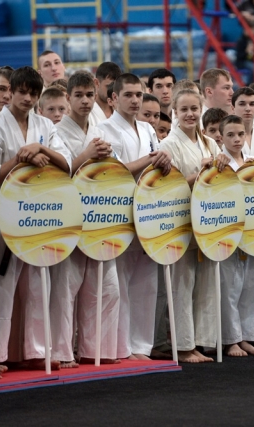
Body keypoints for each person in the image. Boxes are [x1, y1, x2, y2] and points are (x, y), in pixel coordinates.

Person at [0, 66, 72, 373]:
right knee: (1, 287)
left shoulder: (44, 124)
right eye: (22, 92)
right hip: (3, 210)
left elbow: (67, 164)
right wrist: (22, 157)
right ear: (10, 92)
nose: (28, 99)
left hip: (38, 212)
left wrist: (40, 147)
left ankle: (37, 350)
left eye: (34, 94)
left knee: (38, 284)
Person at [97, 73, 172, 361]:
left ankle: (142, 346)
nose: (134, 100)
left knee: (147, 283)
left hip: (149, 210)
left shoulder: (147, 129)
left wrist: (164, 160)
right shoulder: (103, 129)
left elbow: (158, 163)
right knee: (122, 282)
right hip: (119, 210)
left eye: (138, 95)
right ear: (113, 98)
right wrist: (151, 159)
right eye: (128, 95)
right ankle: (123, 347)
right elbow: (113, 172)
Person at [49, 71, 120, 367]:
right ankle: (62, 352)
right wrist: (88, 153)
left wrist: (108, 157)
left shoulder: (100, 129)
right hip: (69, 217)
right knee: (66, 289)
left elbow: (113, 172)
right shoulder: (56, 131)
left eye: (89, 95)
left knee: (107, 289)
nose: (85, 101)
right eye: (78, 95)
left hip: (99, 217)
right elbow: (59, 173)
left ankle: (96, 349)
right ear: (68, 98)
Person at [159, 88, 229, 363]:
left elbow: (222, 179)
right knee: (182, 283)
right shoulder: (168, 145)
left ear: (201, 110)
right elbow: (167, 188)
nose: (190, 114)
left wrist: (223, 164)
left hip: (209, 219)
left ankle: (203, 341)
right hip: (180, 218)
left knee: (208, 283)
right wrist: (200, 173)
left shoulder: (210, 143)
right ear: (174, 112)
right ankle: (184, 345)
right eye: (184, 109)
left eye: (194, 109)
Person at [217, 115, 254, 357]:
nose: (237, 139)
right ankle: (231, 339)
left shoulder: (253, 161)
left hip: (253, 228)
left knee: (252, 284)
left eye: (240, 134)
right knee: (230, 286)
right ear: (221, 137)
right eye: (230, 135)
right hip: (228, 228)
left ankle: (247, 336)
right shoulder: (218, 162)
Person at [91, 61, 122, 126]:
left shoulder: (122, 110)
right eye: (109, 86)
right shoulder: (87, 111)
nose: (113, 91)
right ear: (96, 83)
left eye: (116, 87)